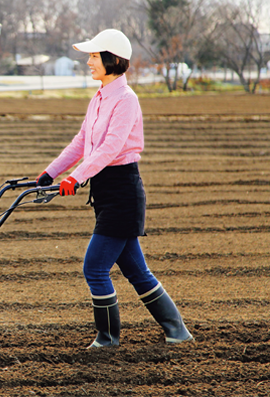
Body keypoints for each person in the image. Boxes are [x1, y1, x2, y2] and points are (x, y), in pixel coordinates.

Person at [36, 28, 192, 349]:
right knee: (137, 271)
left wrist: (76, 178)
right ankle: (177, 330)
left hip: (122, 192)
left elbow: (109, 148)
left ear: (112, 60)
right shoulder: (100, 97)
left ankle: (107, 338)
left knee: (94, 267)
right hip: (106, 194)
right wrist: (50, 173)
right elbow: (83, 142)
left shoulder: (126, 100)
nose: (89, 62)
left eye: (94, 56)